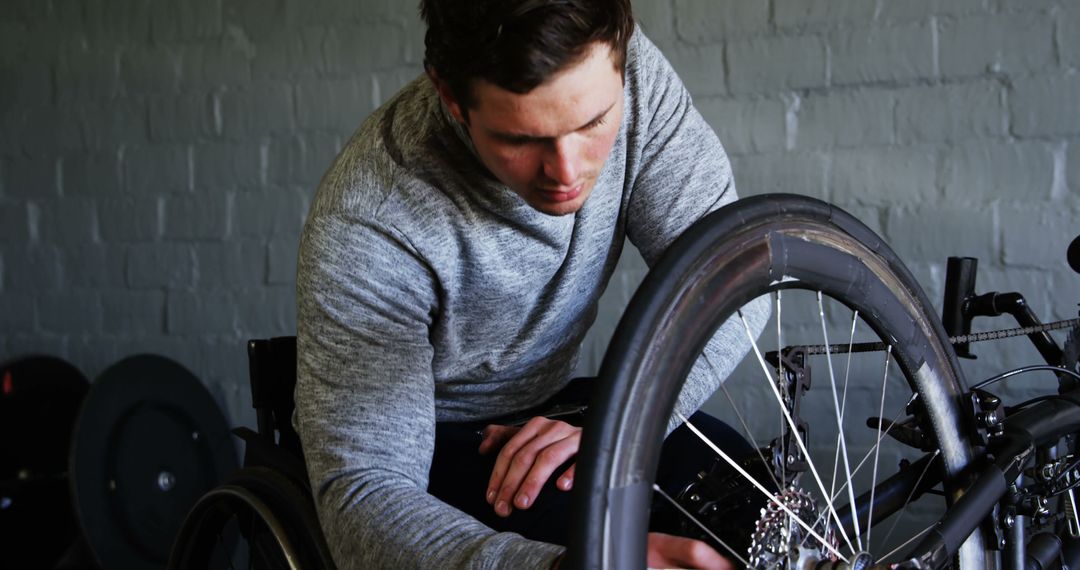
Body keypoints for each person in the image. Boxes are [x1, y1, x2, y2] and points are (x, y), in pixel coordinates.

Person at [294, 0, 769, 567]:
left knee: (752, 503)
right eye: (521, 139)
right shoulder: (371, 215)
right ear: (451, 98)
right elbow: (364, 496)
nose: (567, 173)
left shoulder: (633, 79)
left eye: (593, 123)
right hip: (436, 439)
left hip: (560, 409)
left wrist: (612, 431)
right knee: (596, 533)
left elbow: (733, 281)